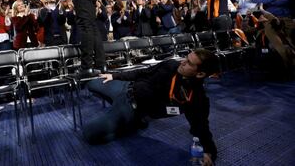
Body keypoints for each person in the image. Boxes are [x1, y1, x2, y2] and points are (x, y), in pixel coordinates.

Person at [83, 49, 219, 165]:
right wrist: (114, 76)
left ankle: (130, 125)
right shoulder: (171, 65)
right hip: (126, 88)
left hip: (131, 108)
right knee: (91, 84)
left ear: (200, 74)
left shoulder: (196, 99)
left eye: (189, 63)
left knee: (90, 134)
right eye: (186, 57)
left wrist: (209, 151)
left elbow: (201, 126)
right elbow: (144, 72)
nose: (182, 62)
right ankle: (120, 114)